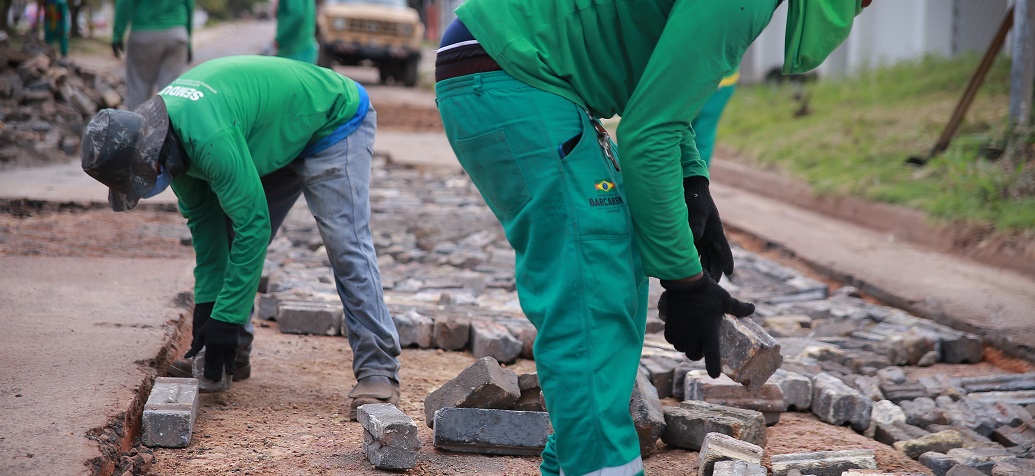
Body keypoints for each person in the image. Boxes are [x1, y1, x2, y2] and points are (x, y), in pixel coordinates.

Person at [434, 0, 869, 474]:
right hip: (512, 72)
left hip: (505, 65)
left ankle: (572, 460)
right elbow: (646, 134)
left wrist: (692, 182)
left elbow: (656, 88)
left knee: (607, 265)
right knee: (593, 280)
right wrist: (686, 284)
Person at [80, 55, 403, 417]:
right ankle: (230, 355)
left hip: (332, 121)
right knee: (230, 233)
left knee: (345, 245)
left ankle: (378, 370)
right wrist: (208, 312)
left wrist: (227, 316)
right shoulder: (167, 145)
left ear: (149, 157)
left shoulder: (206, 139)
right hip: (267, 133)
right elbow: (208, 233)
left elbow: (255, 226)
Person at [111, 0, 194, 110]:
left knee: (139, 89)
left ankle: (137, 119)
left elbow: (125, 3)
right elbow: (189, 5)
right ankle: (168, 119)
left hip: (144, 35)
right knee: (170, 92)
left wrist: (117, 34)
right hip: (177, 35)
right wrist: (188, 41)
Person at [693, 71, 740, 169]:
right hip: (715, 79)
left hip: (716, 80)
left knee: (701, 133)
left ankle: (696, 176)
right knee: (697, 133)